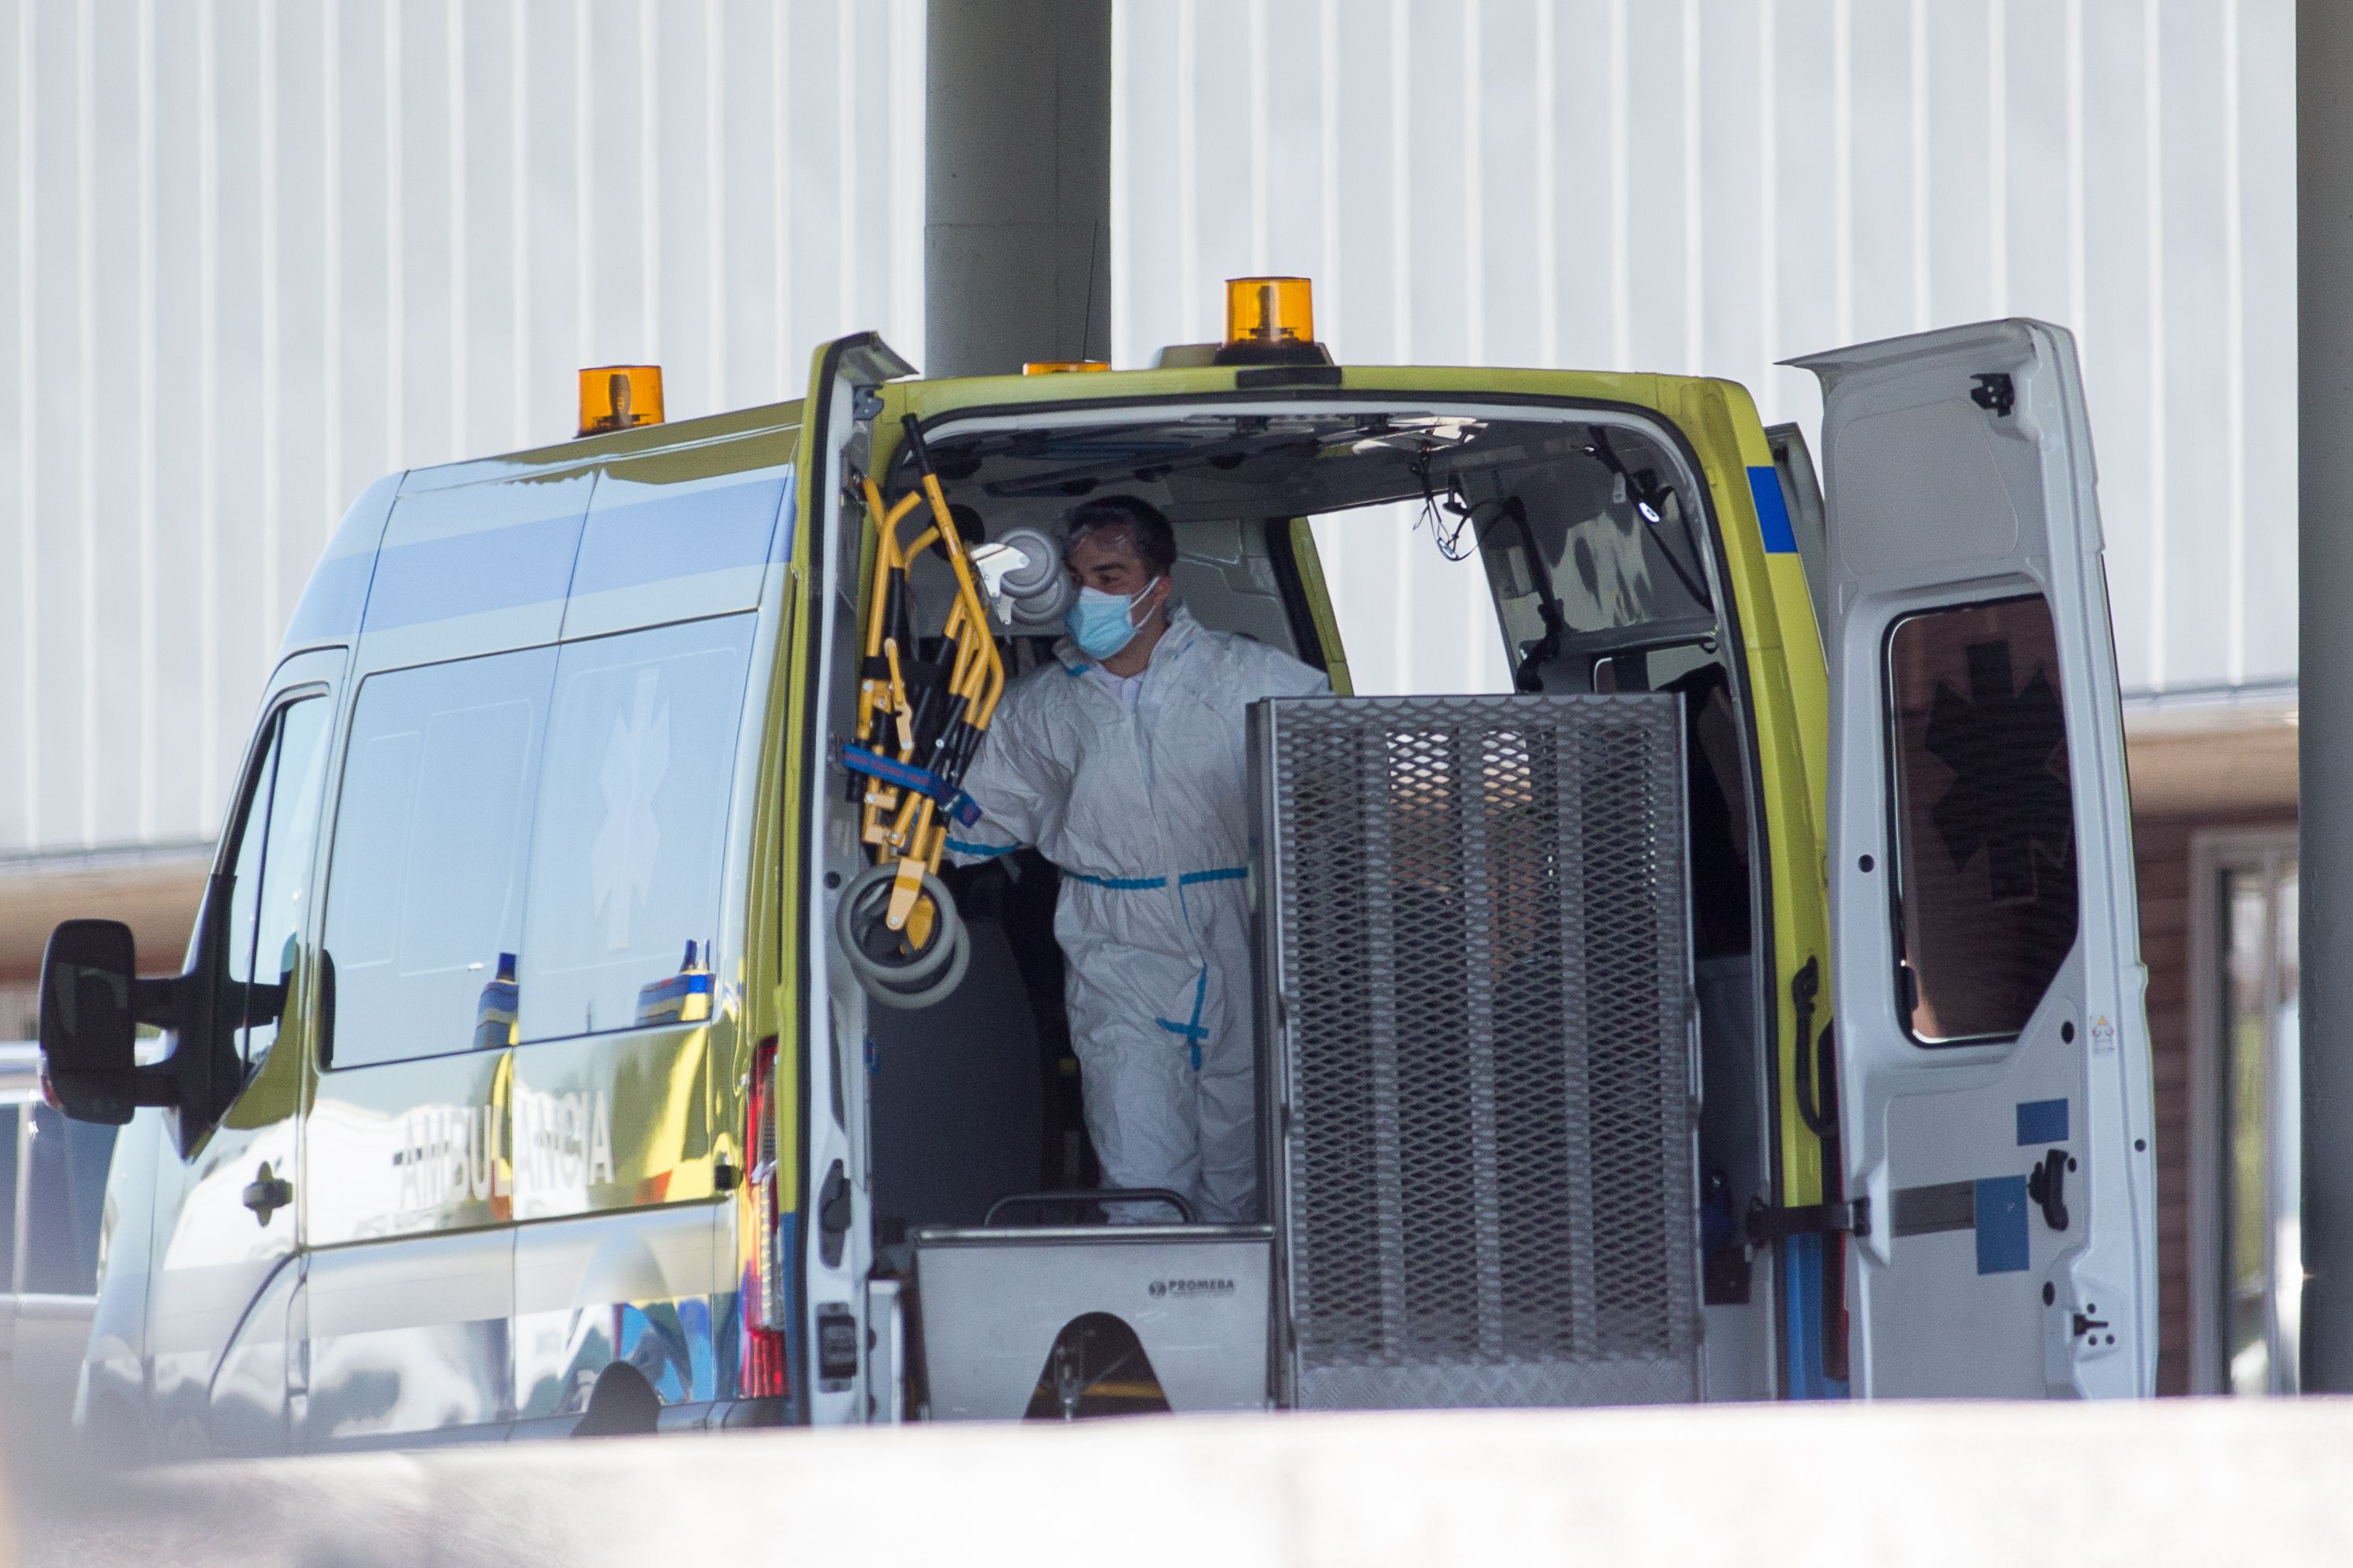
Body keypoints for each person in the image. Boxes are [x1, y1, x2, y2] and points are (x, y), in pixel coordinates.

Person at [948, 495, 1330, 1223]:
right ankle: (1159, 1322)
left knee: (1242, 1163)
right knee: (1139, 1159)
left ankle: (1235, 1328)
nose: (1086, 594)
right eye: (1075, 576)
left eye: (1110, 575)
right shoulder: (1038, 708)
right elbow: (974, 821)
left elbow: (1339, 768)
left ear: (1162, 585)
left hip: (1238, 937)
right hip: (1114, 947)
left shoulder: (1243, 677)